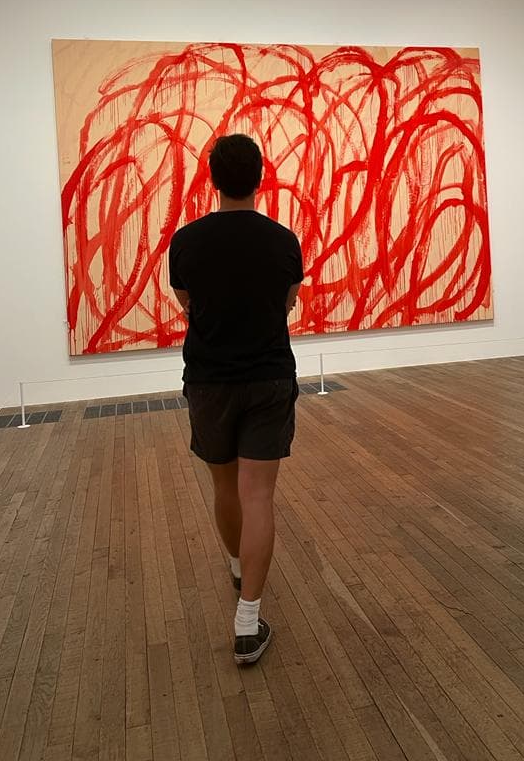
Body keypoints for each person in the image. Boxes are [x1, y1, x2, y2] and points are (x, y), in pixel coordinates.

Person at [168, 134, 302, 666]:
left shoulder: (186, 241)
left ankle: (239, 567)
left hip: (209, 382)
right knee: (258, 496)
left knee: (225, 487)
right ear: (260, 177)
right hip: (269, 378)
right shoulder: (283, 241)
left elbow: (187, 304)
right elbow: (287, 303)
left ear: (213, 179)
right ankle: (248, 621)